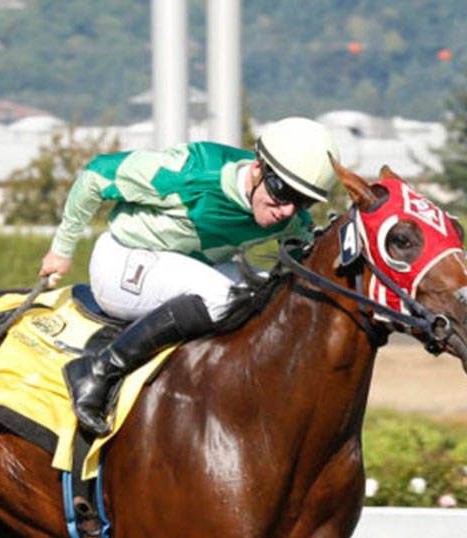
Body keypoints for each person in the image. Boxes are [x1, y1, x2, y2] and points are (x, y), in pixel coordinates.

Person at [40, 116, 342, 437]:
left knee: (272, 295)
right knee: (222, 298)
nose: (287, 211)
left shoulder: (289, 214)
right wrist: (62, 249)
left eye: (303, 200)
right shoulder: (188, 173)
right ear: (257, 168)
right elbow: (96, 174)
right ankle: (97, 372)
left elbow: (300, 263)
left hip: (189, 265)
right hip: (123, 262)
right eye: (282, 192)